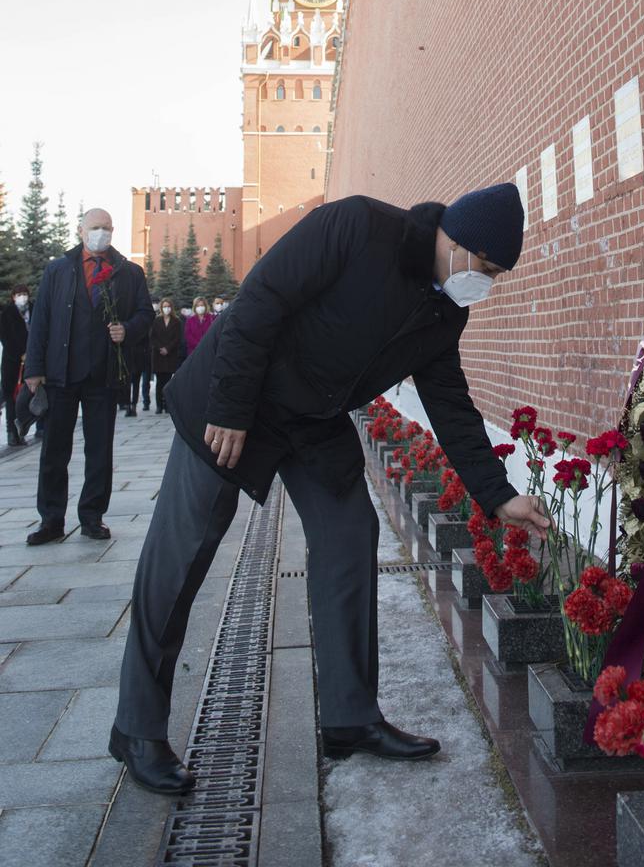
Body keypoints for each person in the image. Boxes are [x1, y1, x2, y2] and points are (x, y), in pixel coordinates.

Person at [110, 185, 549, 795]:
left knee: (349, 534)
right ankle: (137, 729)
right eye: (488, 269)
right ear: (456, 240)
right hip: (235, 396)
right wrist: (231, 407)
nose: (487, 284)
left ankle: (350, 717)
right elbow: (260, 299)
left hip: (313, 420)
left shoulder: (447, 309)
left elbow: (450, 403)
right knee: (183, 553)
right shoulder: (357, 226)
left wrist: (499, 494)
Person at [23, 208, 154, 545]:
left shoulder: (128, 272)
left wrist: (127, 329)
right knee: (54, 450)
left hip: (103, 374)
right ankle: (51, 519)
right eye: (96, 227)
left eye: (107, 228)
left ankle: (92, 517)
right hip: (60, 374)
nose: (102, 233)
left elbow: (145, 314)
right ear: (80, 230)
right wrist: (34, 370)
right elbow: (41, 322)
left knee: (99, 450)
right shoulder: (58, 270)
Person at [0, 284, 34, 447]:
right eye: (18, 294)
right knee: (12, 397)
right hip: (13, 361)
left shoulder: (34, 310)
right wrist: (20, 353)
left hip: (33, 360)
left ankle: (34, 428)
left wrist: (32, 354)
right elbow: (6, 338)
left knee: (33, 396)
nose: (22, 297)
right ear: (13, 297)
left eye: (24, 293)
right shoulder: (7, 313)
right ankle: (12, 433)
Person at [149, 298, 182, 413]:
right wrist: (160, 348)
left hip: (170, 355)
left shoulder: (176, 321)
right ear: (161, 307)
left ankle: (167, 404)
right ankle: (159, 405)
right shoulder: (156, 321)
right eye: (164, 306)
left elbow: (177, 338)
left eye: (168, 306)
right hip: (158, 355)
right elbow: (153, 337)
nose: (166, 308)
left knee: (168, 381)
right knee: (159, 382)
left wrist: (168, 348)